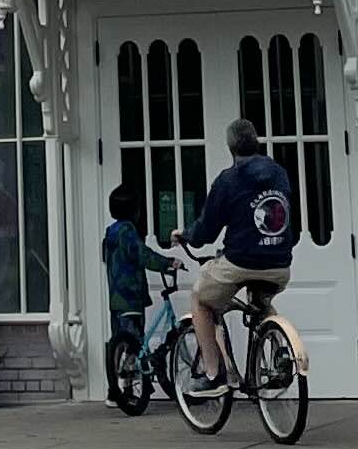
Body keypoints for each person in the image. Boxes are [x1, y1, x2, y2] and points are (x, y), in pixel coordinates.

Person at [179, 117, 297, 385]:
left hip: (241, 261)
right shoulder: (279, 173)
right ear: (257, 142)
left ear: (230, 148)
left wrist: (185, 235)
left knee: (200, 299)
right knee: (262, 303)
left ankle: (213, 373)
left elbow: (205, 232)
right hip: (279, 263)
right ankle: (280, 352)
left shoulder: (228, 180)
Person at [102, 180, 165, 383]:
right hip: (131, 295)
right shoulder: (128, 231)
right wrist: (168, 263)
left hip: (115, 297)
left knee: (119, 342)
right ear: (135, 211)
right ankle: (128, 386)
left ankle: (117, 389)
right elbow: (143, 255)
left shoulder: (110, 232)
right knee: (135, 342)